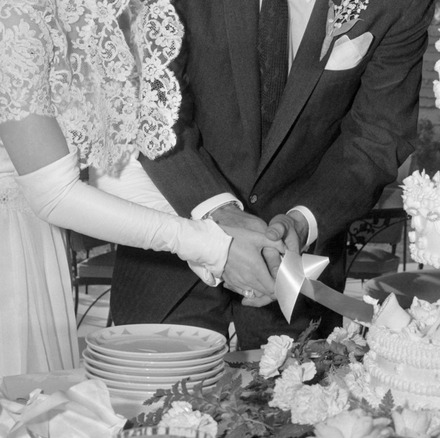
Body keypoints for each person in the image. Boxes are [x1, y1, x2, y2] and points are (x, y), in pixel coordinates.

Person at [111, 0, 436, 348]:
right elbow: (147, 106)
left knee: (292, 398)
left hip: (294, 274)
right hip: (171, 254)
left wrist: (301, 223)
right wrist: (220, 214)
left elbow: (377, 137)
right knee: (156, 399)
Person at [0, 0, 279, 376]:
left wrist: (223, 237)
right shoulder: (16, 12)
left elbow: (113, 164)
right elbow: (53, 192)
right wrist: (212, 247)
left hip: (36, 240)